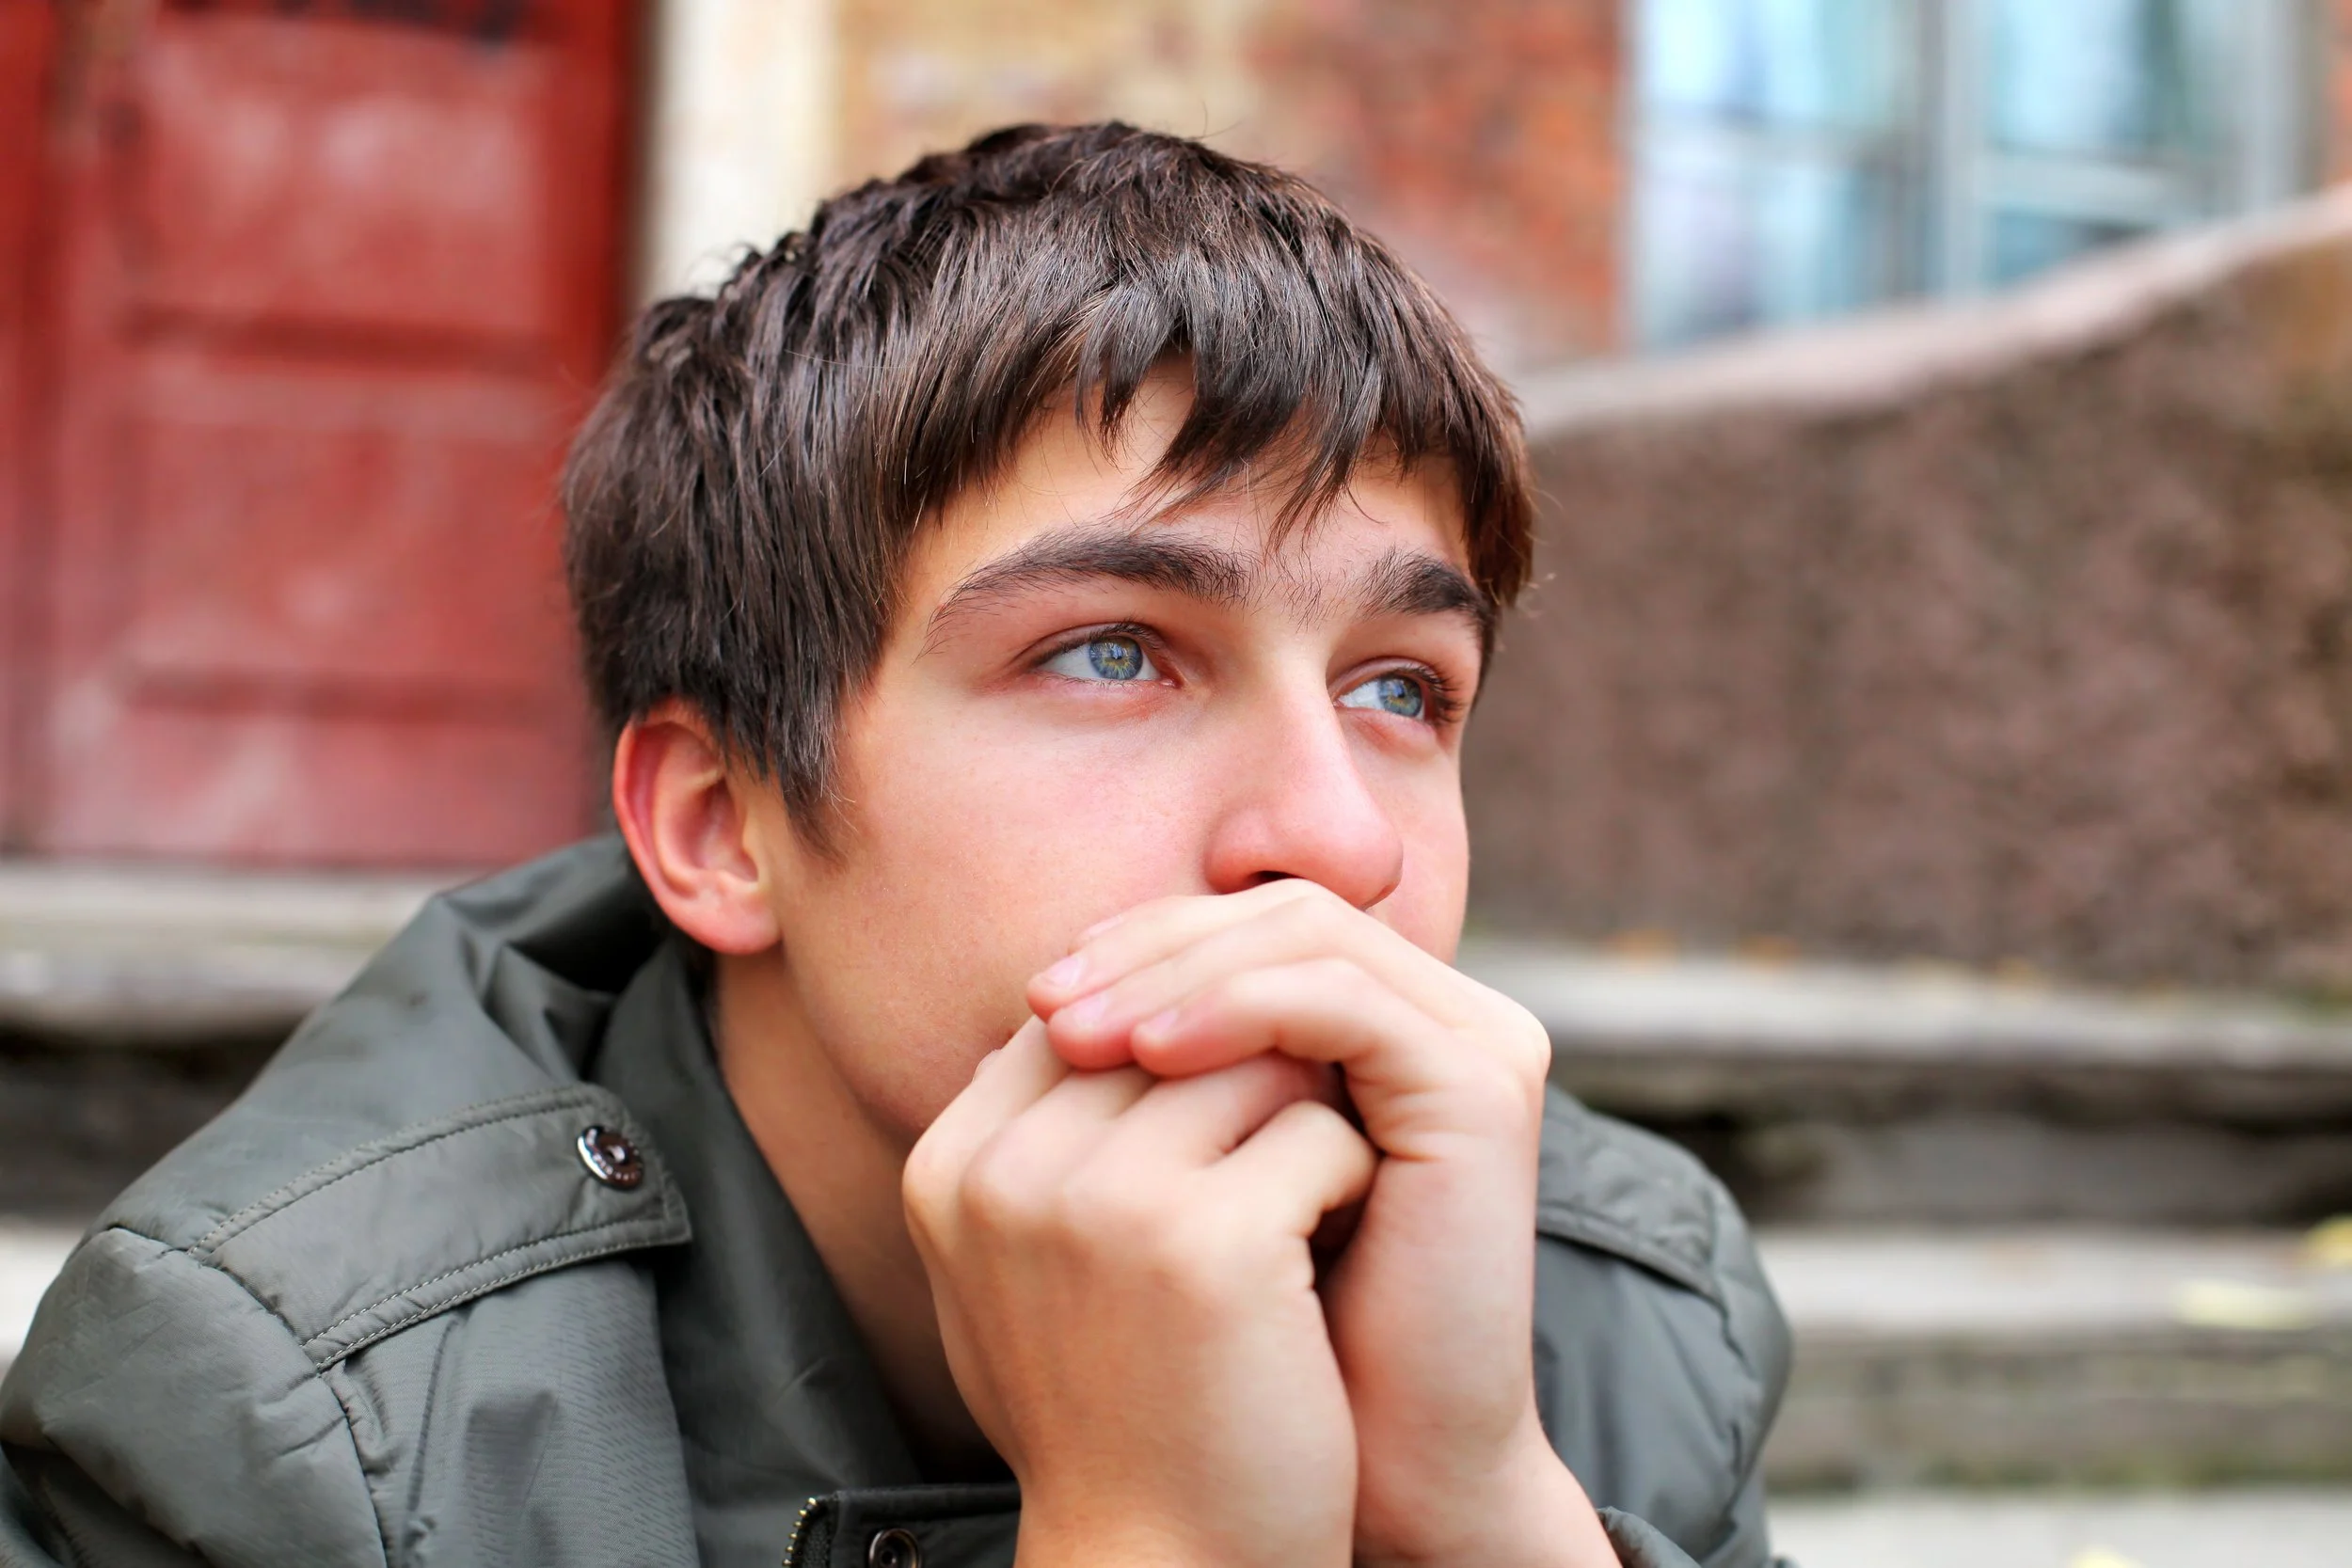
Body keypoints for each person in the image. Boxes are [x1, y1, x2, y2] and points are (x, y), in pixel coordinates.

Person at [0, 124, 1789, 1568]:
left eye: (1404, 688)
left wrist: (1479, 1515)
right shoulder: (301, 1424)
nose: (1333, 837)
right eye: (1113, 651)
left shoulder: (1605, 1321)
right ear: (722, 828)